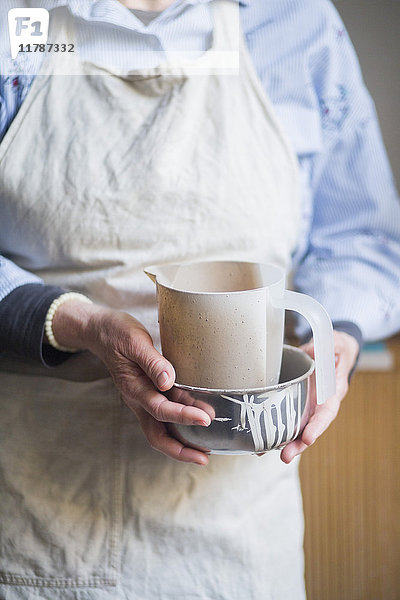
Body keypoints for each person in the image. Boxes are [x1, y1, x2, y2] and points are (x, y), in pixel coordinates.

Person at [0, 0, 399, 598]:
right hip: (43, 530)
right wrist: (75, 323)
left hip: (240, 547)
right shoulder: (18, 26)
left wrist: (334, 337)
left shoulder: (296, 23)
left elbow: (361, 237)